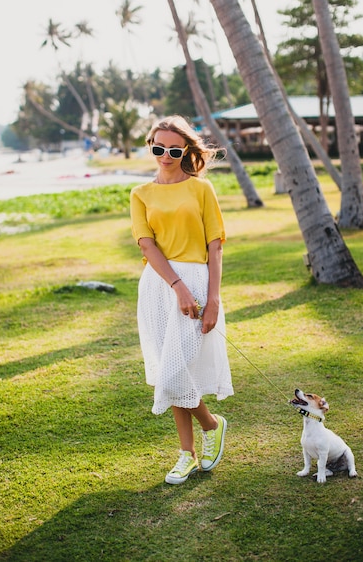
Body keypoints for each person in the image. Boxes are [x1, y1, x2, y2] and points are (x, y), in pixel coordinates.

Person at [130, 115, 234, 485]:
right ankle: (187, 453)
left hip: (198, 278)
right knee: (171, 368)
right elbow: (146, 244)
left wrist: (214, 299)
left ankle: (211, 424)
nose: (166, 155)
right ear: (151, 146)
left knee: (175, 369)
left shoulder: (201, 190)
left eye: (174, 149)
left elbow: (215, 245)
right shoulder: (140, 193)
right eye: (159, 148)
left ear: (186, 150)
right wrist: (177, 286)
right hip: (159, 286)